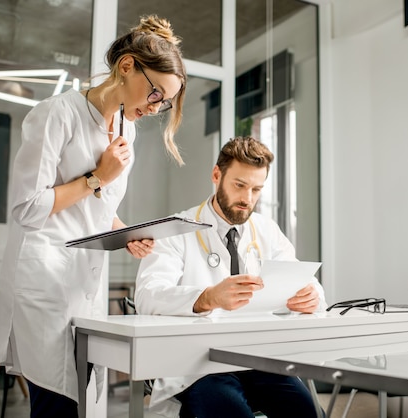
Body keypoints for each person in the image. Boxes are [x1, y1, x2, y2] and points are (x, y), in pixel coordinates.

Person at [0, 15, 187, 417]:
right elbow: (28, 208)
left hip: (84, 282)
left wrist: (126, 232)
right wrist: (98, 177)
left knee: (83, 399)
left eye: (163, 102)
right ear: (128, 66)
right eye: (155, 94)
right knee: (56, 400)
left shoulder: (125, 130)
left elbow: (98, 211)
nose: (156, 108)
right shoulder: (55, 114)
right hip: (44, 280)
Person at [135, 136, 326, 418]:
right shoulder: (176, 230)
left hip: (258, 360)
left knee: (306, 412)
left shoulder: (267, 229)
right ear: (216, 175)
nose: (247, 199)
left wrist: (311, 296)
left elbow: (303, 279)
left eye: (256, 189)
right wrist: (207, 297)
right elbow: (148, 295)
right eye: (239, 185)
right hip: (198, 366)